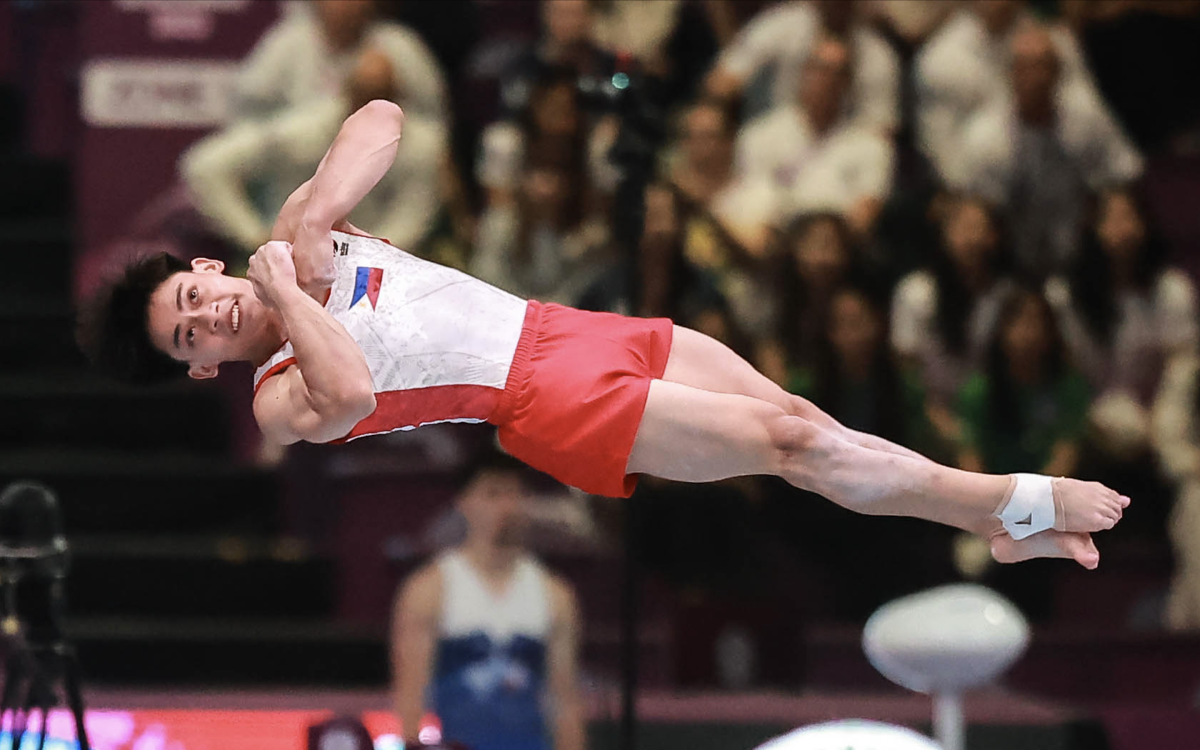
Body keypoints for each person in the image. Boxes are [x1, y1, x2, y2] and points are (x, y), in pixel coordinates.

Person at [77, 99, 1129, 571]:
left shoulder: (298, 236)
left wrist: (307, 225)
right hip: (541, 400)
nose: (204, 320)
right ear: (207, 366)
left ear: (201, 269)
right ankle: (1014, 502)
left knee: (799, 421)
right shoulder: (275, 391)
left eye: (188, 301)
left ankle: (984, 527)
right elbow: (348, 396)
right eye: (188, 341)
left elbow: (384, 118)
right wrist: (294, 293)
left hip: (573, 328)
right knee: (794, 450)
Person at [392, 452, 584, 750]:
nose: (507, 506)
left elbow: (564, 701)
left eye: (516, 493)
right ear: (464, 502)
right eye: (493, 494)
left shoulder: (555, 595)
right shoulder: (430, 590)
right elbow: (411, 695)